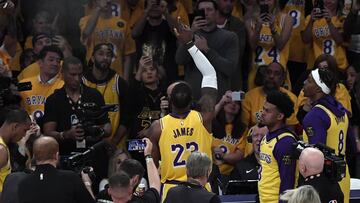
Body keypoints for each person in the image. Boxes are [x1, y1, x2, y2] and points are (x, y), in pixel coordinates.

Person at [146, 23, 218, 200]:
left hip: (171, 190)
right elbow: (210, 74)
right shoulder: (203, 118)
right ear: (192, 100)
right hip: (202, 190)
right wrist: (190, 45)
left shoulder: (157, 127)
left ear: (169, 102)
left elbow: (153, 165)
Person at [42, 56, 112, 185]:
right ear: (62, 74)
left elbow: (108, 127)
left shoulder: (94, 95)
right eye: (72, 74)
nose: (77, 78)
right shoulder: (54, 99)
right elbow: (48, 133)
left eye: (80, 74)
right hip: (66, 157)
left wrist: (97, 131)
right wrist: (67, 134)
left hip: (94, 156)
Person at [302, 68, 356, 203]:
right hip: (343, 175)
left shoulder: (315, 115)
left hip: (324, 182)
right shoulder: (341, 111)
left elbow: (316, 157)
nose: (304, 82)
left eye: (309, 80)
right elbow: (352, 148)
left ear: (319, 89)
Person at [175, 0, 239, 100]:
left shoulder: (230, 37)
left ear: (216, 13)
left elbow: (230, 69)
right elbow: (179, 60)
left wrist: (207, 50)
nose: (205, 13)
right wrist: (190, 35)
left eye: (209, 9)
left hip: (218, 98)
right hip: (192, 98)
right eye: (202, 10)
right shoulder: (189, 35)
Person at [241, 62, 298, 155]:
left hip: (278, 142)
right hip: (253, 141)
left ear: (283, 78)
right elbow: (244, 128)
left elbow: (290, 128)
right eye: (268, 72)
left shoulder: (291, 98)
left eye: (276, 74)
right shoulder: (249, 96)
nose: (271, 76)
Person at [17, 136, 95, 203]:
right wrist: (87, 183)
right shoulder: (70, 178)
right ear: (56, 156)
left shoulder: (23, 183)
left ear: (35, 156)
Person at [82, 43, 130, 149]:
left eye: (108, 55)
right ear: (93, 58)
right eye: (101, 54)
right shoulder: (82, 81)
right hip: (86, 144)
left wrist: (114, 141)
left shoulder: (120, 83)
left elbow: (126, 118)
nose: (105, 58)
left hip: (115, 144)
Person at [258, 90, 297, 203]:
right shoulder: (267, 137)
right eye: (263, 109)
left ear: (280, 116)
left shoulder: (285, 142)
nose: (262, 113)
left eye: (267, 111)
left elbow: (287, 182)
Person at [79, 0, 135, 77]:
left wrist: (125, 79)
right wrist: (98, 8)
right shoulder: (86, 20)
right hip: (94, 76)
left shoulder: (123, 24)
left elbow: (128, 55)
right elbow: (86, 33)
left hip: (116, 75)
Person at [245, 0, 293, 90]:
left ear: (275, 1)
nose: (266, 2)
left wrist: (272, 27)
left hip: (278, 73)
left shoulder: (286, 19)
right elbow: (252, 46)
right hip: (257, 72)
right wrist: (258, 27)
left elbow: (280, 45)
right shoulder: (250, 21)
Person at [132, 0, 179, 83]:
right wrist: (146, 12)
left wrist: (166, 12)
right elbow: (134, 34)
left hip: (169, 76)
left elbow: (178, 32)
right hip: (145, 75)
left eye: (158, 5)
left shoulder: (169, 24)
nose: (155, 8)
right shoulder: (142, 25)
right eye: (152, 5)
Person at [104, 138, 161, 203]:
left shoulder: (102, 196)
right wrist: (148, 155)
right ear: (135, 179)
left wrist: (89, 185)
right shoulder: (143, 201)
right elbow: (155, 185)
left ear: (109, 191)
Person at [19, 45, 64, 122]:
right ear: (40, 63)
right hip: (26, 128)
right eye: (51, 60)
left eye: (58, 61)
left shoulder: (63, 86)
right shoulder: (24, 83)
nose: (55, 64)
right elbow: (20, 108)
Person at [301, 0, 348, 71]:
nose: (328, 1)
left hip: (338, 66)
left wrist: (329, 22)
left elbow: (339, 41)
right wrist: (311, 21)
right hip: (316, 65)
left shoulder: (342, 19)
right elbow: (305, 40)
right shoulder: (311, 18)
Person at [215, 0, 247, 90]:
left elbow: (237, 54)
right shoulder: (206, 23)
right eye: (225, 0)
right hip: (210, 82)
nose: (229, 4)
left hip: (234, 83)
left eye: (232, 1)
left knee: (237, 102)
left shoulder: (238, 25)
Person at [0, 108, 31, 198]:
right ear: (15, 127)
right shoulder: (1, 150)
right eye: (25, 130)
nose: (25, 135)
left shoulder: (6, 146)